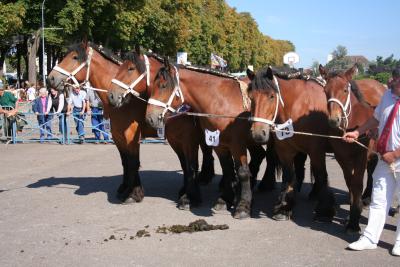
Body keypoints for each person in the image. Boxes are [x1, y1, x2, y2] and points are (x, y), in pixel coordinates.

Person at [344, 67, 400, 256]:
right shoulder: (388, 96)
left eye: (396, 79)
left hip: (396, 157)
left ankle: (399, 242)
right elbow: (375, 120)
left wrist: (395, 154)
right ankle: (369, 238)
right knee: (378, 199)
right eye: (393, 78)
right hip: (384, 158)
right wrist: (357, 132)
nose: (391, 82)